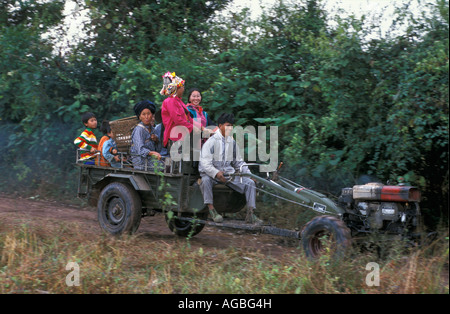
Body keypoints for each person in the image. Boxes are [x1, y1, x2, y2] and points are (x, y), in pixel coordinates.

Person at [198, 113, 263, 224]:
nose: (230, 128)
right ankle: (212, 210)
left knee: (250, 183)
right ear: (220, 126)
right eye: (227, 125)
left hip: (228, 174)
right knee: (205, 181)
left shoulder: (232, 142)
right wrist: (216, 173)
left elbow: (239, 162)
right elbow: (205, 164)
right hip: (211, 174)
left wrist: (249, 175)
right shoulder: (211, 142)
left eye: (231, 126)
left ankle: (251, 214)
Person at [130, 100, 163, 171]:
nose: (147, 117)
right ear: (139, 117)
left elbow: (158, 149)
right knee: (163, 168)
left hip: (150, 160)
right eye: (143, 114)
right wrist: (151, 153)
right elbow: (140, 150)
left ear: (152, 115)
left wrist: (156, 140)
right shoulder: (139, 130)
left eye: (149, 114)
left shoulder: (153, 129)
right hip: (140, 162)